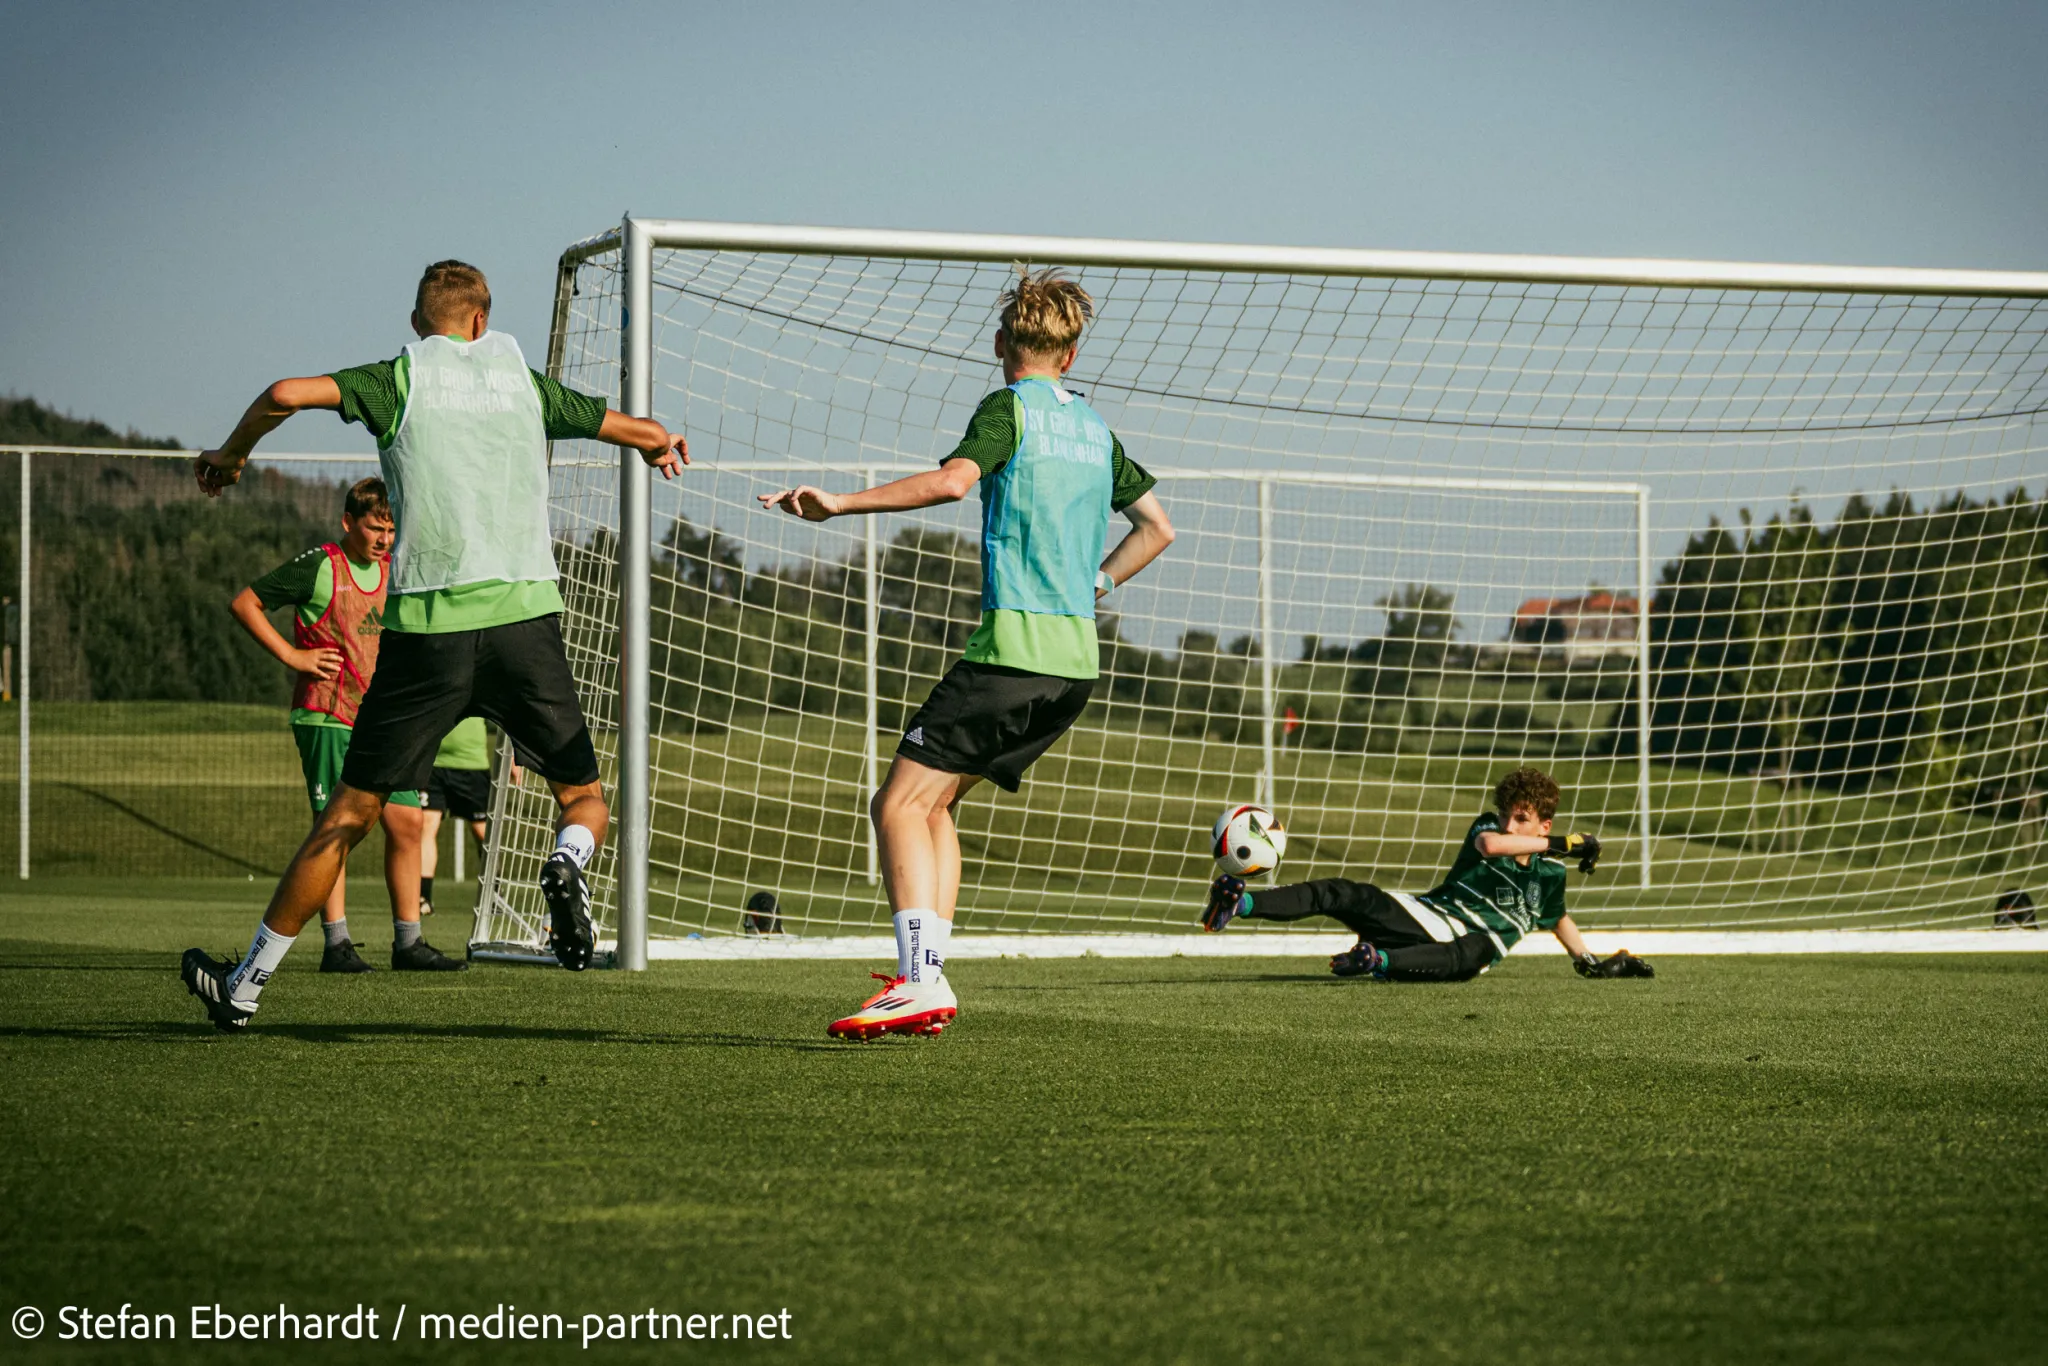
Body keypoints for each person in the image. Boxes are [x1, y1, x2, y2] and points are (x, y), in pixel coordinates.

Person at [181, 259, 686, 1032]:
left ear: (420, 325)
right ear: (482, 322)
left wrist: (234, 452)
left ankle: (245, 986)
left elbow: (284, 393)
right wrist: (658, 444)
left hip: (427, 632)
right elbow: (639, 431)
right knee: (583, 798)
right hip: (525, 624)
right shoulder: (523, 383)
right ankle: (566, 861)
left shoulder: (399, 379)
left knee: (348, 815)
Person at [760, 267, 1176, 1039]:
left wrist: (839, 503)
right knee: (936, 804)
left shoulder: (1007, 410)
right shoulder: (1096, 430)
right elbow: (1158, 528)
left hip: (1012, 653)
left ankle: (919, 981)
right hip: (1073, 668)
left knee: (895, 804)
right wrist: (1097, 583)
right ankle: (930, 978)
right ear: (1072, 355)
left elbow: (955, 483)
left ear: (999, 344)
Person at [230, 477, 456, 972]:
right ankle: (337, 945)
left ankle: (409, 943)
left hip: (384, 719)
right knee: (335, 828)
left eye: (391, 531)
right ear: (347, 523)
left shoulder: (397, 571)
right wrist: (294, 655)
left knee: (408, 821)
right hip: (327, 715)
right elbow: (245, 603)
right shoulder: (320, 566)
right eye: (375, 529)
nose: (384, 540)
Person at [1200, 766, 1654, 982]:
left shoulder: (1551, 874)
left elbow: (1556, 917)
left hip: (1451, 950)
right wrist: (1567, 844)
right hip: (1425, 916)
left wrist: (1591, 961)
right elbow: (1492, 846)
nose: (1509, 825)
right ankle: (1239, 903)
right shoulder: (1489, 831)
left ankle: (1376, 960)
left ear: (1543, 824)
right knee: (1344, 892)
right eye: (1506, 815)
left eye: (1521, 818)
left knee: (1478, 953)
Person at [416, 716, 515, 917]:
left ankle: (494, 894)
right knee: (427, 825)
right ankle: (422, 897)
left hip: (472, 766)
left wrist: (515, 754)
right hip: (433, 765)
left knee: (483, 832)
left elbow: (505, 715)